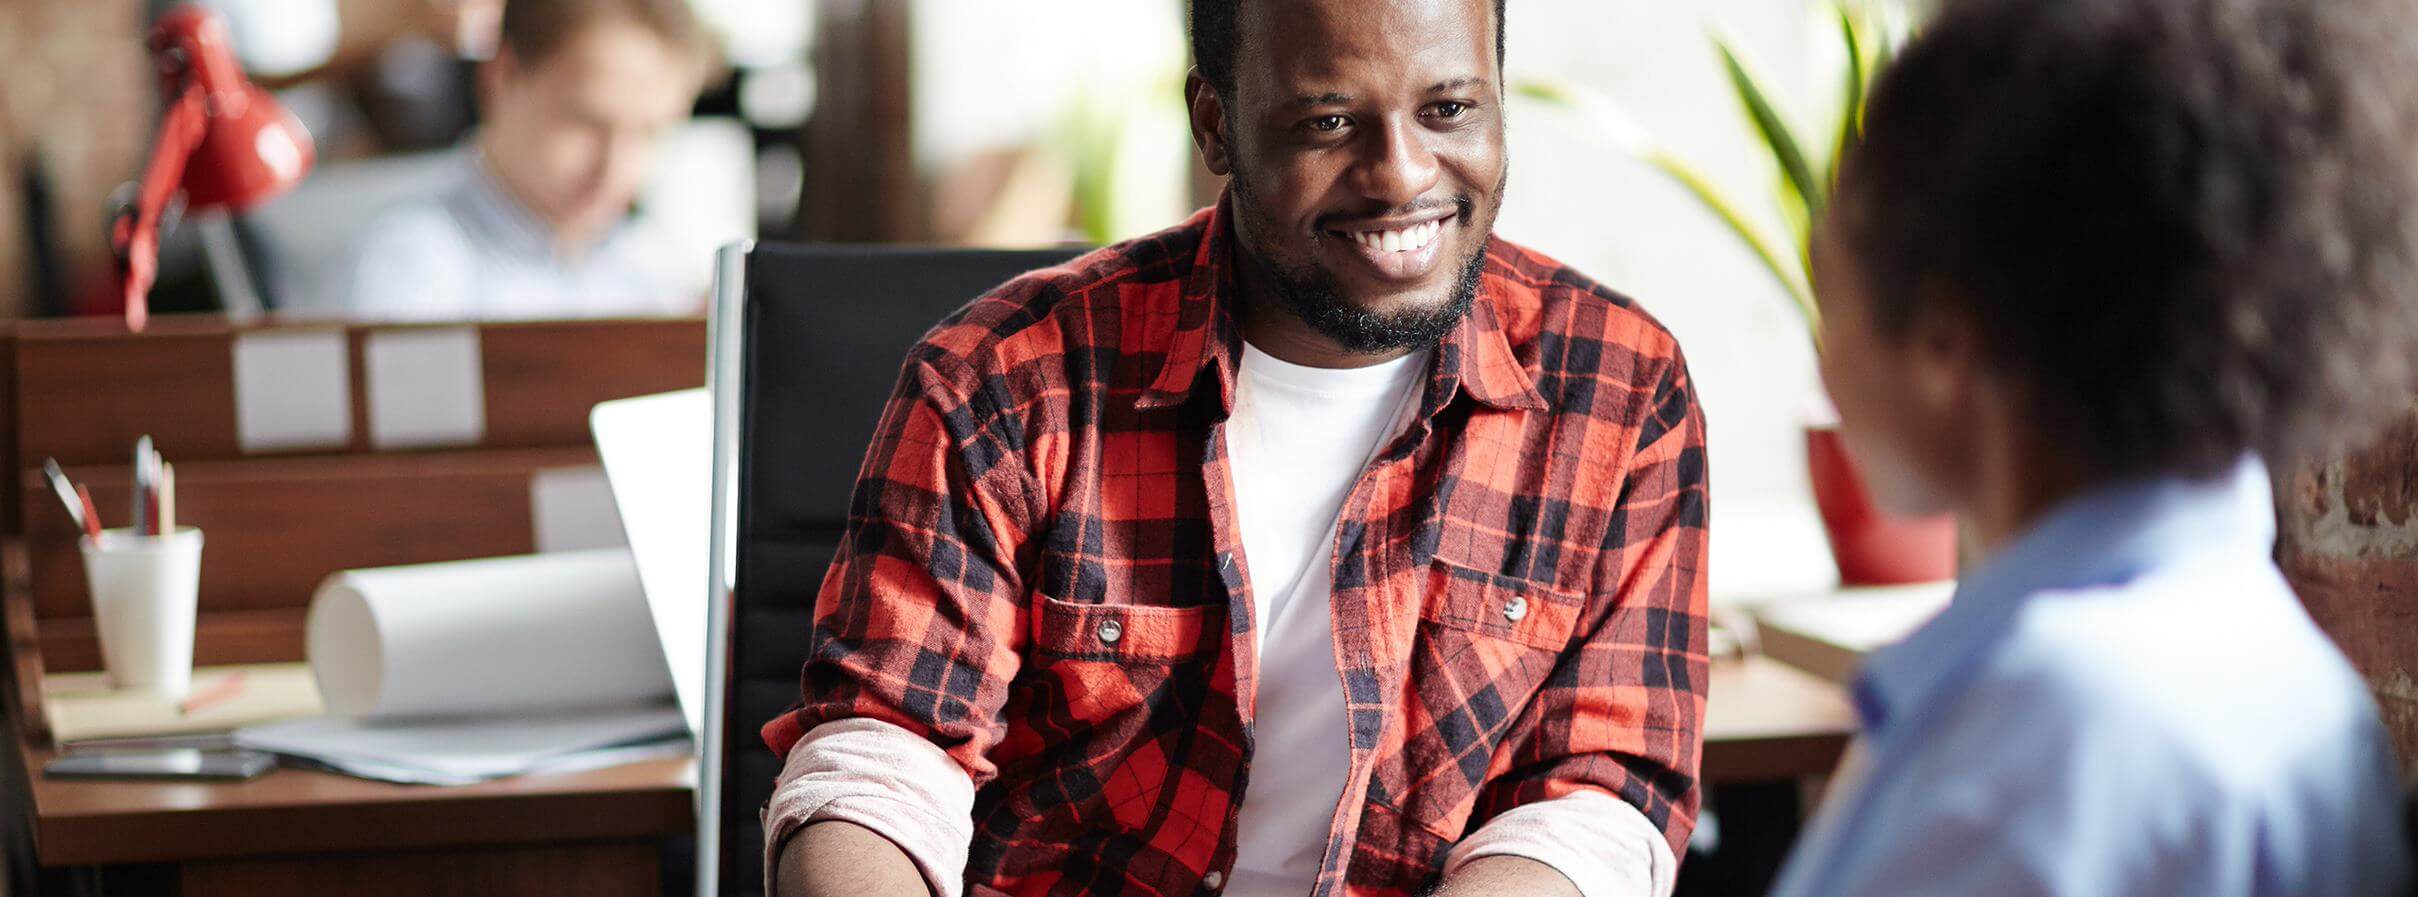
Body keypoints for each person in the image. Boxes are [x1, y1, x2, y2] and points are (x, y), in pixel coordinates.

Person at [761, 1, 1711, 896]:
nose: (1404, 174)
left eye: (1450, 109)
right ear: (1214, 123)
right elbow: (882, 760)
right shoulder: (1003, 379)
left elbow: (1592, 800)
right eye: (1330, 122)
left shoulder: (1619, 390)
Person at [1771, 0, 2418, 894]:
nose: (1821, 360)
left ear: (1943, 338)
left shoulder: (2032, 753)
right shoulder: (2285, 675)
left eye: (1829, 298)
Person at [340, 0, 711, 321]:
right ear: (501, 77)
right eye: (583, 122)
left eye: (649, 132)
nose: (614, 169)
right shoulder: (411, 272)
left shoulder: (656, 270)